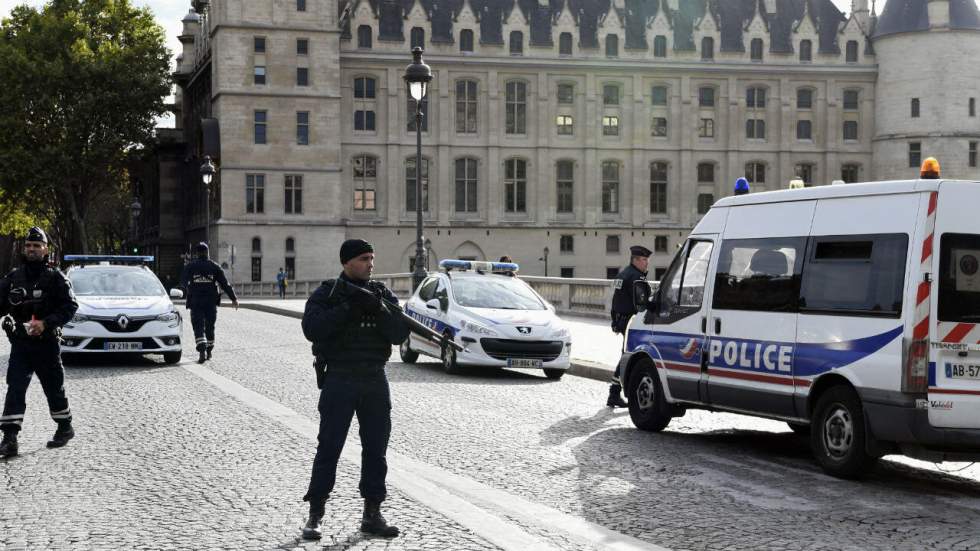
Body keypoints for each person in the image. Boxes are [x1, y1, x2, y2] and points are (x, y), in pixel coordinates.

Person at [300, 239, 409, 540]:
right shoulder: (329, 293)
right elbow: (312, 328)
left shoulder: (381, 294)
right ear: (347, 262)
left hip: (374, 378)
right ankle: (315, 515)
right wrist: (349, 307)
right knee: (329, 448)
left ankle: (372, 514)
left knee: (376, 450)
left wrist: (380, 310)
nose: (370, 264)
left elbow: (400, 333)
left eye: (372, 258)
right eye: (364, 259)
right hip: (340, 378)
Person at [0, 227, 79, 458]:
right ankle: (10, 438)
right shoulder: (13, 277)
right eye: (28, 246)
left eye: (36, 246)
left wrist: (46, 323)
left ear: (46, 250)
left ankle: (65, 427)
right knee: (15, 388)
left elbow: (70, 307)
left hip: (47, 345)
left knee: (54, 389)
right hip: (21, 345)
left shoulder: (56, 278)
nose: (31, 249)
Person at [607, 245, 652, 408]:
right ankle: (614, 392)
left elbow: (614, 300)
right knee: (629, 356)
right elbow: (643, 304)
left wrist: (614, 320)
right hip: (632, 322)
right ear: (636, 260)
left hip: (621, 320)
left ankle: (614, 392)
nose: (647, 263)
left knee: (626, 354)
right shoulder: (636, 278)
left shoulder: (623, 274)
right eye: (644, 260)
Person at [180, 242, 238, 364]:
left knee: (198, 326)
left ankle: (201, 350)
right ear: (207, 253)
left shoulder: (190, 266)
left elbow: (183, 283)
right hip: (211, 302)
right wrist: (234, 298)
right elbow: (225, 284)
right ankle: (209, 350)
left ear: (197, 253)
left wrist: (187, 288)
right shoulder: (215, 267)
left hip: (196, 301)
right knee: (210, 326)